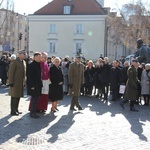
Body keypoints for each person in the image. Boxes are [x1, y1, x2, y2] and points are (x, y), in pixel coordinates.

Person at [8, 50, 26, 116]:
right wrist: (11, 82)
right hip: (15, 82)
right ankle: (13, 110)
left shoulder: (23, 62)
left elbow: (24, 73)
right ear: (20, 54)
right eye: (24, 54)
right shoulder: (15, 61)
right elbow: (11, 72)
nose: (25, 55)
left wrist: (24, 82)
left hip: (20, 82)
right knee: (14, 97)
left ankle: (16, 109)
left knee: (18, 96)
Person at [27, 52, 43, 118]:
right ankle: (32, 113)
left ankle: (33, 111)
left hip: (38, 85)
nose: (40, 59)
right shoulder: (31, 65)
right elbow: (29, 76)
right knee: (34, 99)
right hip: (34, 85)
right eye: (39, 57)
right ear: (35, 57)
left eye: (40, 57)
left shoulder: (39, 64)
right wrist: (31, 86)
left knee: (36, 99)